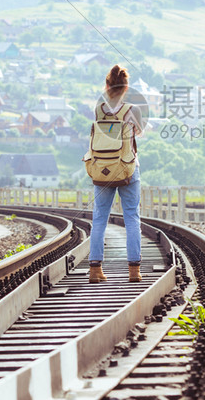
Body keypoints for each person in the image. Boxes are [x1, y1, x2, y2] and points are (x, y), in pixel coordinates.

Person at [89, 64, 144, 283]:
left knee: (99, 218)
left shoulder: (98, 109)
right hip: (128, 169)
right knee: (131, 217)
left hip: (102, 169)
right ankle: (134, 271)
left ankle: (95, 270)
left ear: (108, 84)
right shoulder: (133, 110)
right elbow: (138, 132)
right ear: (126, 87)